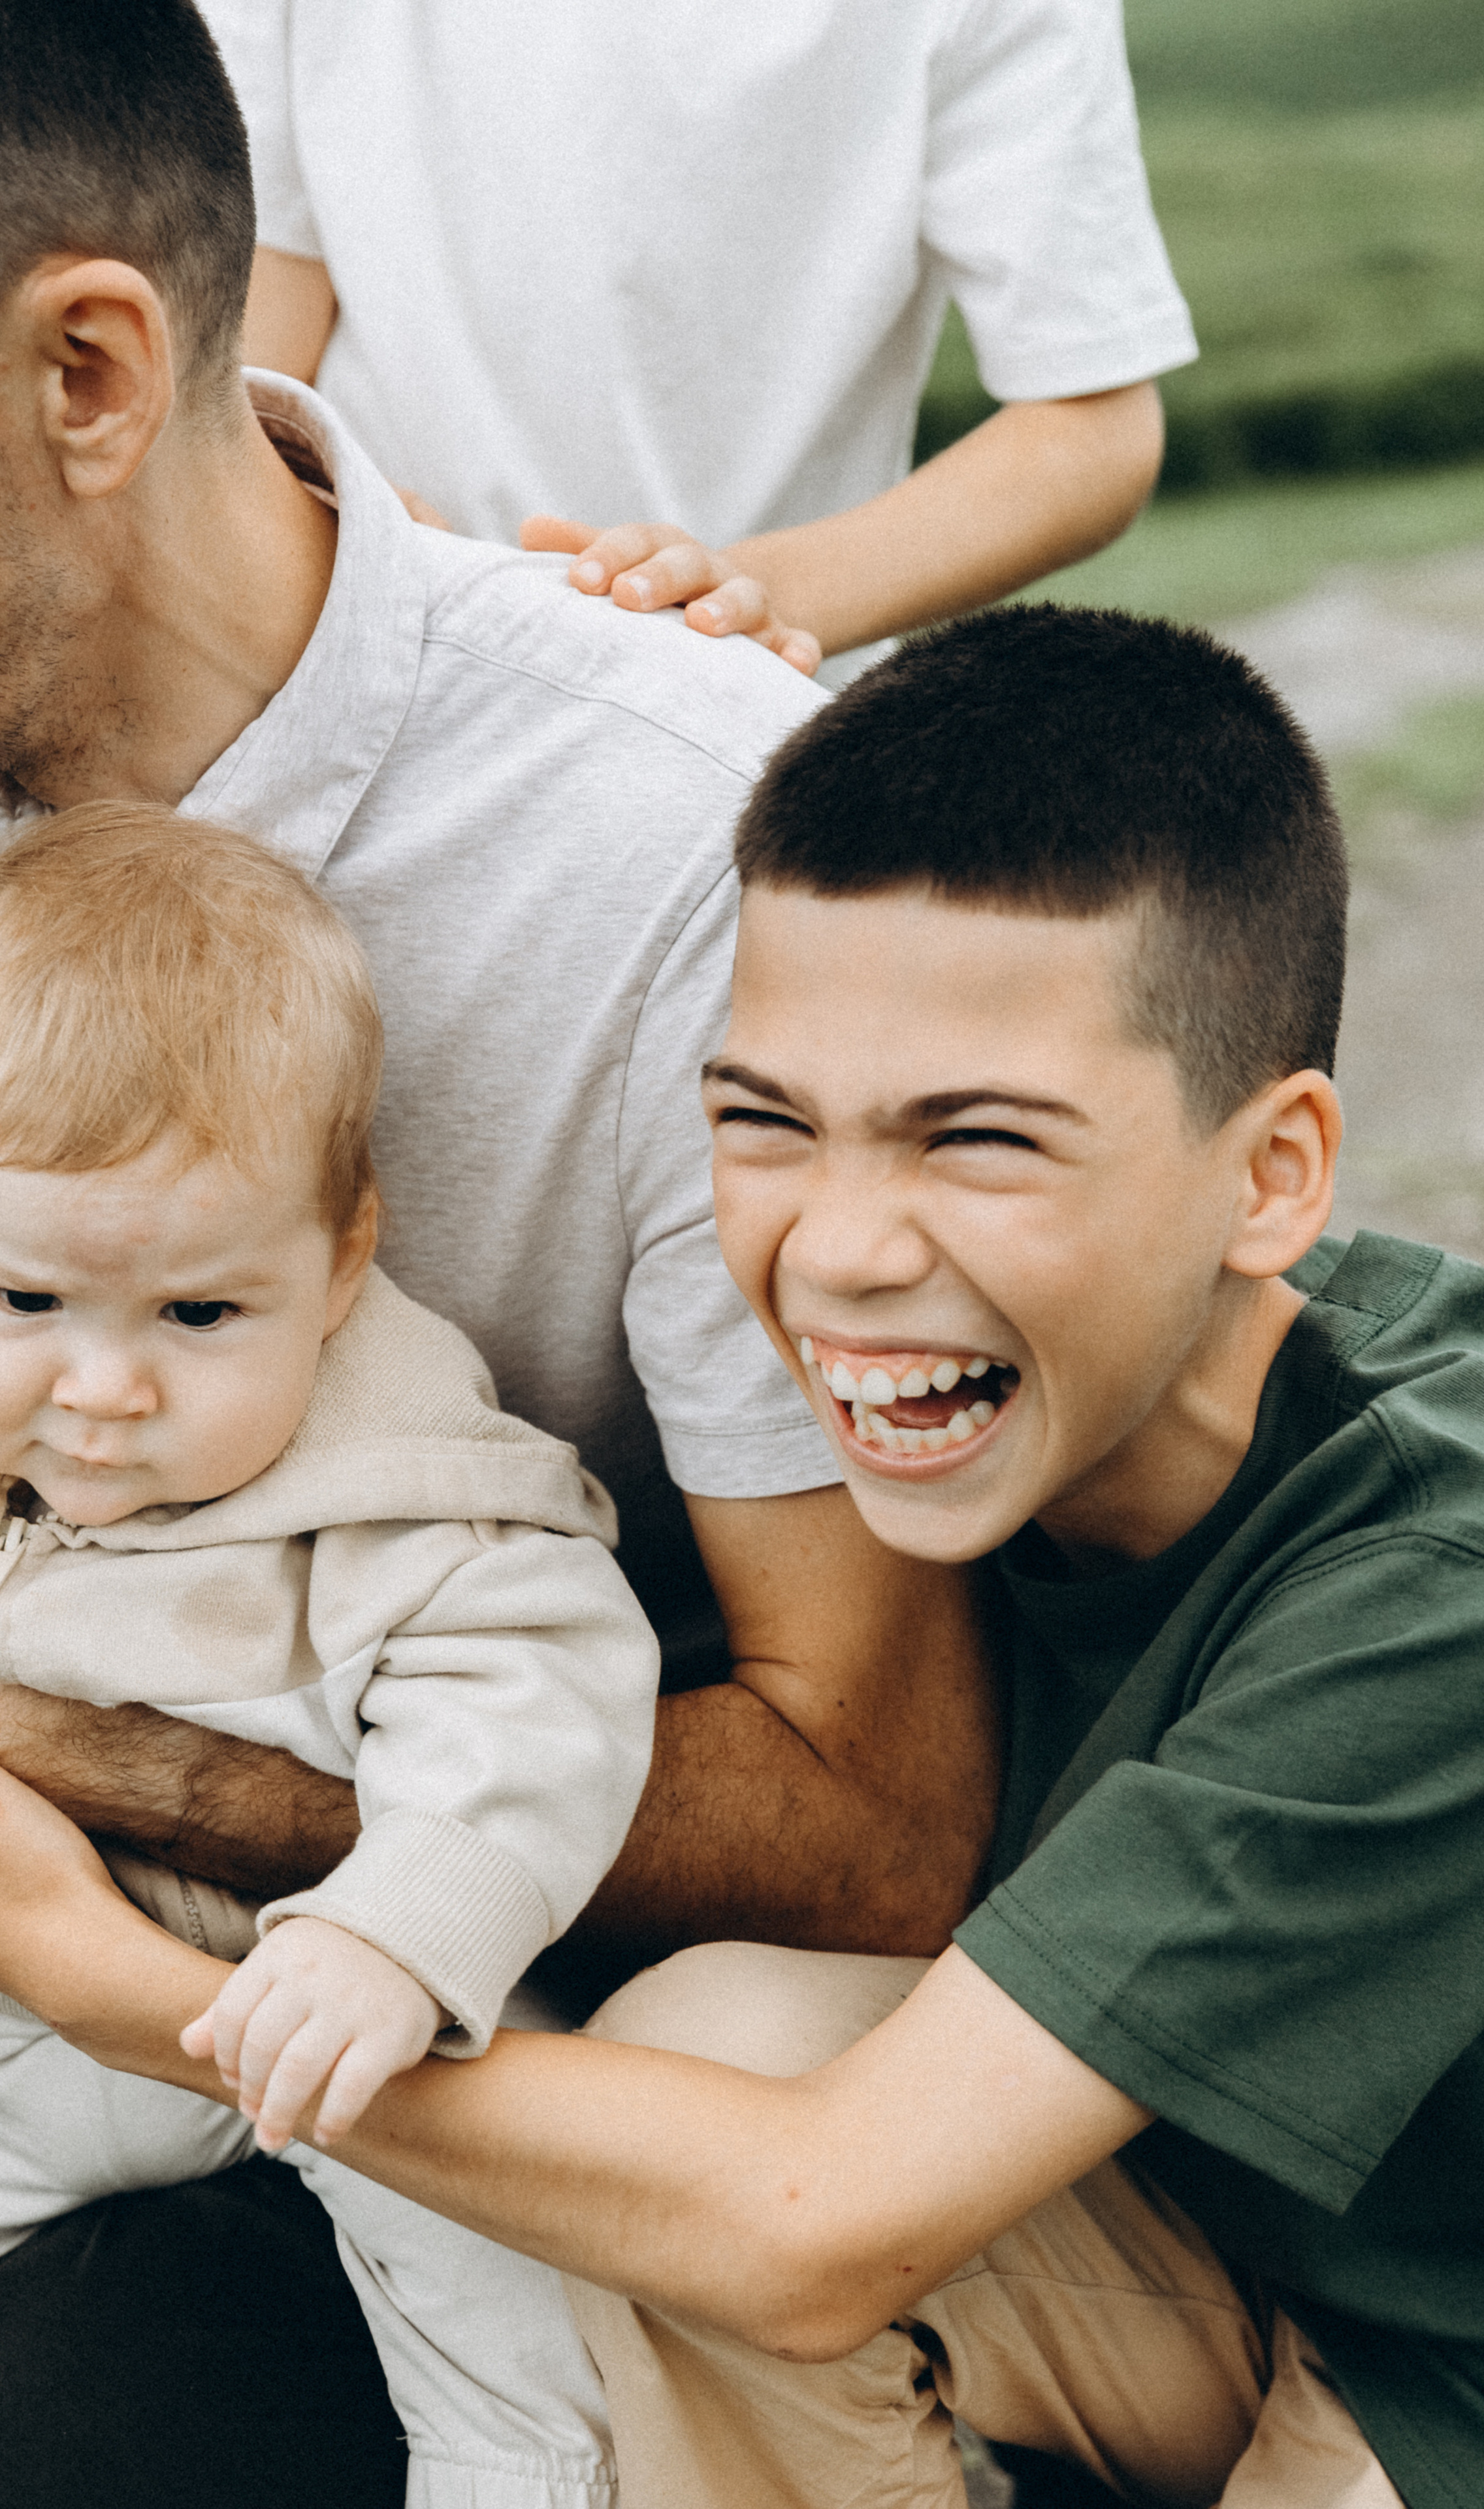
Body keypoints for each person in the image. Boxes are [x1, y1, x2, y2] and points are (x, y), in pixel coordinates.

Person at [5, 602, 1484, 2509]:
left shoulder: (1470, 1594)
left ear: (1273, 1176)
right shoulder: (1031, 1398)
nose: (841, 1250)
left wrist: (112, 1980)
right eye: (764, 1123)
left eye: (976, 1141)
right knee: (711, 2056)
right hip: (1186, 2235)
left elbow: (812, 2234)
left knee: (739, 2184)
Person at [0, 8, 996, 2503]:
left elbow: (879, 1811)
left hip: (447, 2044)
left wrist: (99, 1782)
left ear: (87, 372)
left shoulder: (681, 857)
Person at [0, 802, 664, 2500]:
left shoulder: (406, 1494)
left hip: (318, 2022)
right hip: (38, 2053)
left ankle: (528, 2477)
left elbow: (541, 1716)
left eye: (199, 1315)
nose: (102, 1387)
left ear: (343, 1256)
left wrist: (391, 1941)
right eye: (28, 1307)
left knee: (498, 2309)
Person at [202, 0, 1197, 681]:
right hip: (372, 678)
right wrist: (323, 513)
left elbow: (1090, 425)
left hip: (751, 753)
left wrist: (753, 597)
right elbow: (258, 329)